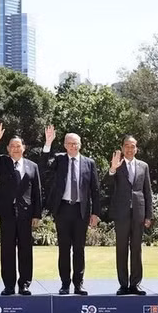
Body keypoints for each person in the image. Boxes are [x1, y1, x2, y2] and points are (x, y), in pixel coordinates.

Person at [41, 125, 101, 295]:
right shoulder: (59, 160)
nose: (73, 146)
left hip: (81, 211)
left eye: (75, 143)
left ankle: (79, 284)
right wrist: (47, 143)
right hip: (63, 209)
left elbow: (95, 190)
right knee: (64, 249)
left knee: (79, 249)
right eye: (69, 143)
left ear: (80, 144)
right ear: (65, 145)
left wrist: (95, 213)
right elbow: (43, 166)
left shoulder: (89, 163)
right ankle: (65, 284)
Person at [0, 122, 43, 295]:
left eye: (18, 146)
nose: (15, 149)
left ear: (24, 148)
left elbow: (37, 192)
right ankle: (9, 285)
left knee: (26, 250)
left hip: (26, 214)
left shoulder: (32, 166)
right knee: (7, 251)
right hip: (7, 213)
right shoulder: (3, 162)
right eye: (12, 146)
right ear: (8, 148)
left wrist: (37, 214)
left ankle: (25, 284)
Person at [106, 135, 153, 295]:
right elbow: (107, 184)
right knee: (121, 249)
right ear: (122, 147)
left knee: (136, 249)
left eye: (132, 146)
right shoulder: (117, 165)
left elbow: (148, 191)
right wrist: (112, 169)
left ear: (136, 148)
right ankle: (123, 284)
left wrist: (149, 215)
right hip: (121, 213)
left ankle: (135, 284)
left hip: (139, 213)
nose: (130, 149)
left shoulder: (143, 166)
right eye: (127, 146)